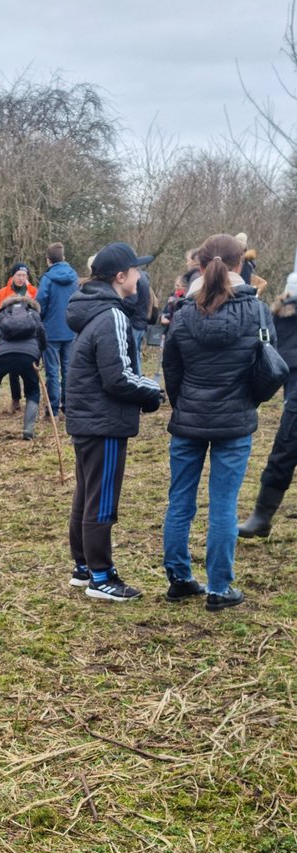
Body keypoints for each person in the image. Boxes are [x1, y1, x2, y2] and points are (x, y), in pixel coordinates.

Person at [161, 233, 277, 610]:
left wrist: (184, 405)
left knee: (180, 501)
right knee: (223, 505)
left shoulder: (182, 312)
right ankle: (219, 587)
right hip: (234, 421)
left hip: (189, 418)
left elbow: (171, 368)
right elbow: (269, 367)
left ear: (199, 264)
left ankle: (179, 579)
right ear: (240, 264)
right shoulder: (256, 311)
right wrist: (250, 402)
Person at [64, 242, 162, 600]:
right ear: (121, 277)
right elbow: (119, 376)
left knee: (86, 495)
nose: (139, 276)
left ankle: (83, 566)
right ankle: (102, 577)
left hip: (87, 419)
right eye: (136, 270)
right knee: (101, 500)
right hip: (102, 421)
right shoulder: (114, 315)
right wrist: (152, 390)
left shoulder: (92, 310)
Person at [238, 252, 297, 537]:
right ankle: (262, 515)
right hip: (294, 396)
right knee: (286, 445)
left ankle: (262, 516)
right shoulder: (283, 315)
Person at [0, 295, 46, 440]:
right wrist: (39, 354)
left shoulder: (3, 313)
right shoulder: (34, 313)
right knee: (32, 390)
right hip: (28, 356)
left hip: (3, 355)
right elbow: (42, 336)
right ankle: (28, 430)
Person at [35, 242, 79, 417]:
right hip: (71, 329)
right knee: (68, 369)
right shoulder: (74, 277)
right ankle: (68, 406)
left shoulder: (47, 279)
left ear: (48, 260)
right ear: (64, 257)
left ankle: (52, 408)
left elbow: (40, 305)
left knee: (52, 371)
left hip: (51, 332)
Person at [0, 264, 37, 412]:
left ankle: (30, 399)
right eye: (18, 275)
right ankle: (15, 399)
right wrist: (0, 326)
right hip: (8, 336)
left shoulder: (33, 292)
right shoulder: (4, 292)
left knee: (28, 370)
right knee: (12, 370)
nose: (21, 278)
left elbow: (39, 311)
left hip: (28, 337)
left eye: (24, 276)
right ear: (13, 277)